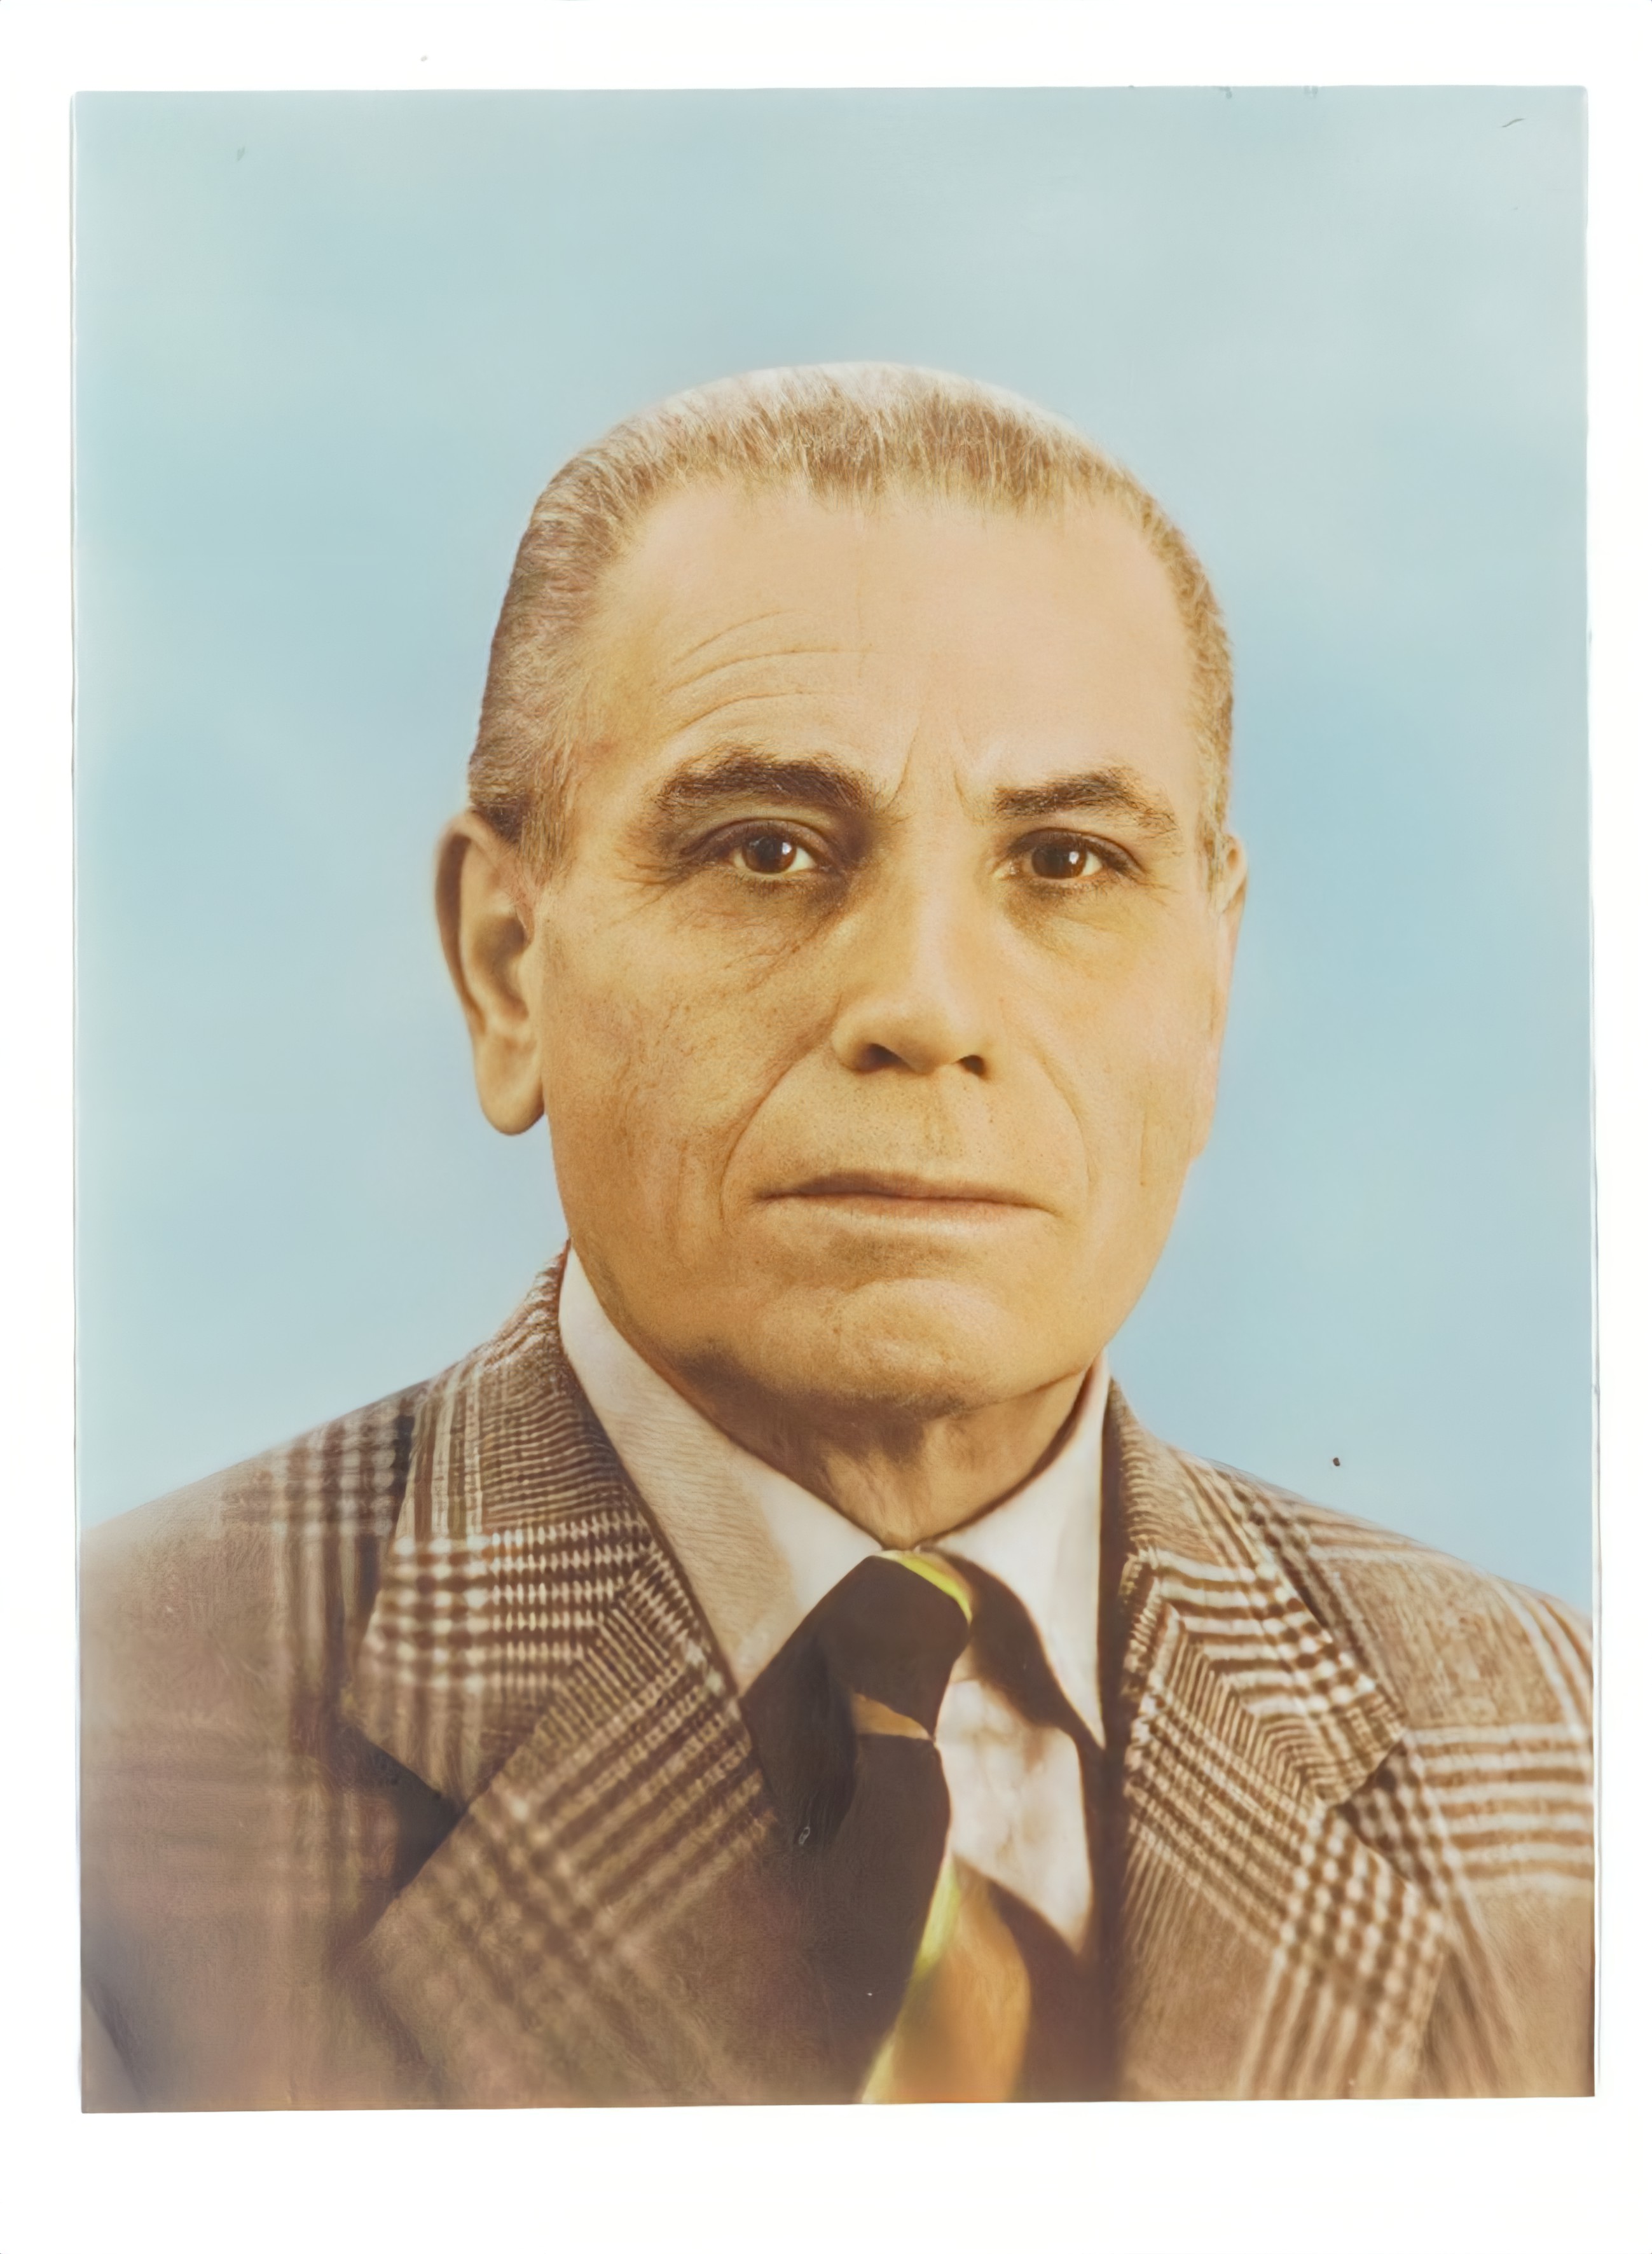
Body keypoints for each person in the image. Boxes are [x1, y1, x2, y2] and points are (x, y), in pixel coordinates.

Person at [79, 364, 1593, 2109]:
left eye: (1069, 864)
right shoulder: (91, 1747)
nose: (926, 1007)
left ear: (1213, 978)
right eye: (771, 850)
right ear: (507, 965)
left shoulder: (1565, 1756)